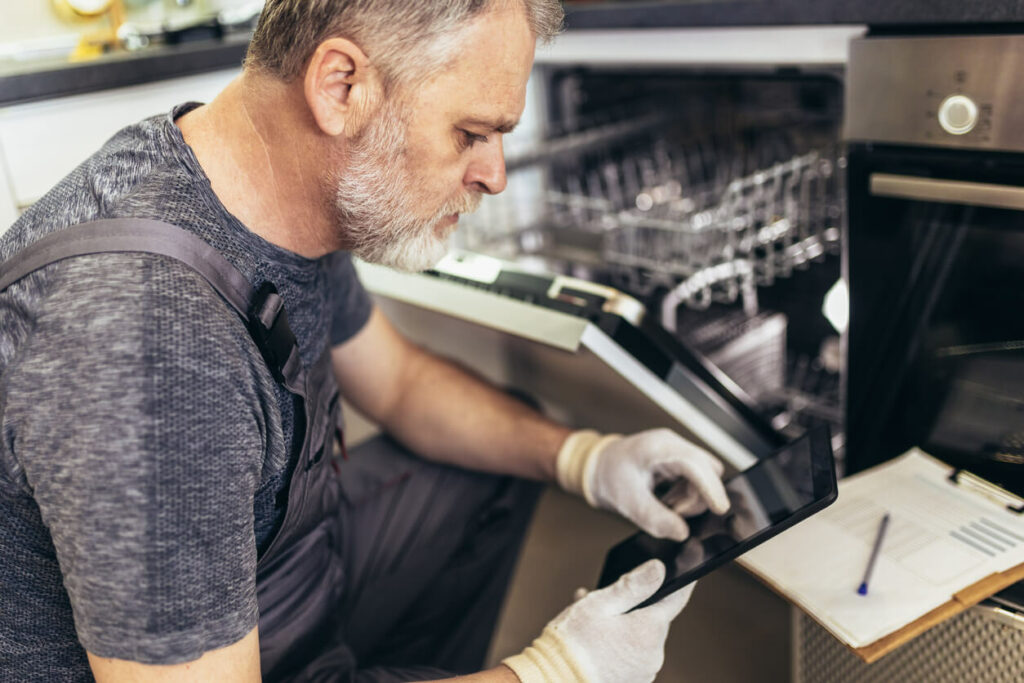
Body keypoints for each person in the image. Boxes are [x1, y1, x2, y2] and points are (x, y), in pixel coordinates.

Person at [0, 1, 732, 681]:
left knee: (501, 458)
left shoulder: (276, 198)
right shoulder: (150, 348)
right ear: (341, 86)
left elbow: (403, 385)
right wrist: (553, 671)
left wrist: (585, 457)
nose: (495, 175)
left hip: (276, 584)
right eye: (471, 133)